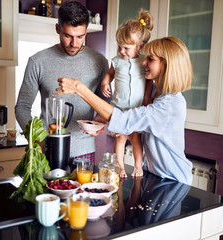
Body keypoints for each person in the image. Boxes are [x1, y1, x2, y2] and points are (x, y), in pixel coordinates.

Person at [54, 36, 193, 185]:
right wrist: (103, 118)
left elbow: (125, 120)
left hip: (173, 180)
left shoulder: (170, 105)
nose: (144, 62)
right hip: (154, 175)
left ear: (166, 65)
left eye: (150, 59)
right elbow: (128, 113)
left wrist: (79, 88)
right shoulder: (153, 93)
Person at [15, 1, 109, 164]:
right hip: (47, 148)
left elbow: (105, 100)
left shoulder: (100, 61)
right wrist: (37, 139)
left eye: (80, 36)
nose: (74, 44)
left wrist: (100, 118)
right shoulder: (38, 61)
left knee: (83, 190)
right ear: (58, 29)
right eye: (68, 36)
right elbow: (22, 107)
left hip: (83, 151)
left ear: (86, 30)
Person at [101, 9, 153, 178]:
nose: (122, 51)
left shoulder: (144, 61)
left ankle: (138, 166)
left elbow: (149, 80)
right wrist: (105, 82)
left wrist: (146, 97)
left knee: (135, 139)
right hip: (119, 108)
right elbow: (110, 74)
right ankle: (121, 167)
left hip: (136, 109)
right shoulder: (116, 61)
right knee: (121, 139)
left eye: (126, 48)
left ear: (140, 46)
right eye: (119, 47)